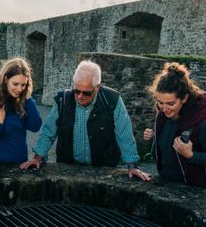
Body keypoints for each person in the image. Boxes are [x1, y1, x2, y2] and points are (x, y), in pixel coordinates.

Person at [21, 60, 150, 181]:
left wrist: (132, 166)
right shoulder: (62, 100)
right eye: (77, 91)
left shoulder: (112, 100)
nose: (80, 97)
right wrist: (37, 158)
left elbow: (124, 133)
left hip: (103, 169)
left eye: (86, 93)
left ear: (98, 87)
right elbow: (49, 131)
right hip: (67, 168)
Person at [143, 62, 206, 188]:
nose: (164, 109)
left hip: (194, 187)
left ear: (184, 98)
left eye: (170, 104)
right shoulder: (162, 115)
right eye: (160, 103)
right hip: (165, 181)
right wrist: (154, 137)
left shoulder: (202, 124)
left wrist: (190, 155)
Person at [0, 58, 42, 166]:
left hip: (19, 164)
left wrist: (29, 98)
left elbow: (35, 126)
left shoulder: (22, 98)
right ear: (6, 79)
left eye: (23, 85)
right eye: (15, 84)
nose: (20, 89)